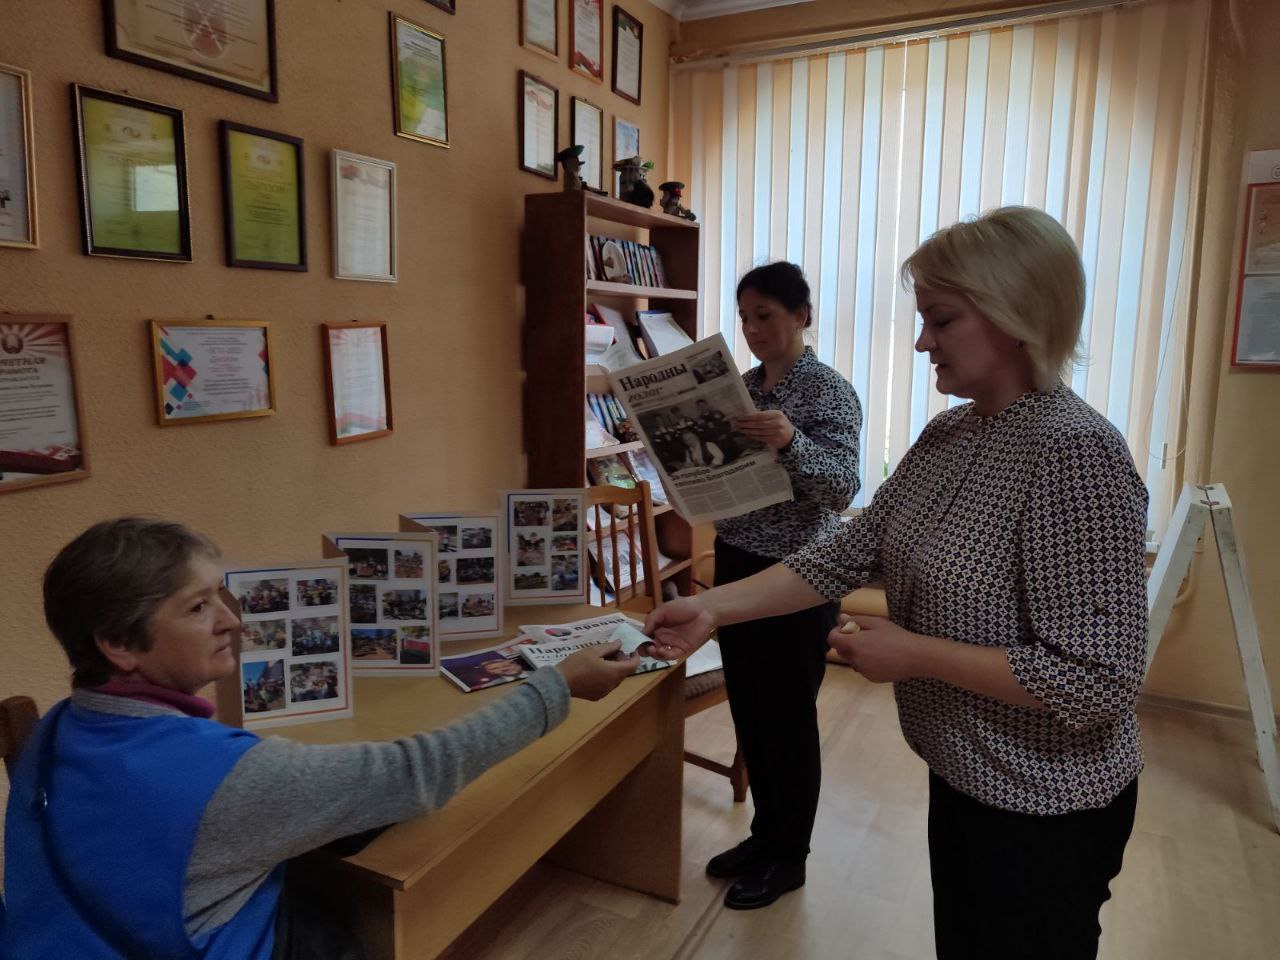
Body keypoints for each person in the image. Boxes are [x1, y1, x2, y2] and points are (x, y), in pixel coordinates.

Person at [646, 207, 1146, 959]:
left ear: (1018, 318)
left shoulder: (1076, 455)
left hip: (1046, 800)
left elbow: (1097, 678)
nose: (921, 343)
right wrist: (710, 607)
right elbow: (843, 554)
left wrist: (913, 654)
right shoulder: (951, 432)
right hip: (965, 772)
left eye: (941, 321)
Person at [1, 517, 638, 960]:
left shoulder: (58, 728)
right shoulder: (221, 777)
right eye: (198, 607)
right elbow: (420, 771)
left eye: (220, 596)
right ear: (118, 644)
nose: (231, 620)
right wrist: (557, 686)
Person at [700, 261, 863, 911]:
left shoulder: (828, 391)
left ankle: (789, 856)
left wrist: (792, 440)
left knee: (788, 717)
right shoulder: (740, 388)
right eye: (744, 317)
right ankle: (764, 836)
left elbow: (843, 488)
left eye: (764, 314)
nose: (751, 328)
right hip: (736, 559)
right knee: (749, 707)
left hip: (799, 574)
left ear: (802, 316)